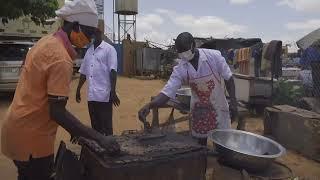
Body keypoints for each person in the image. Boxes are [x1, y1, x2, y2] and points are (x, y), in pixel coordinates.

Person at [1, 1, 119, 180]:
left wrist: (75, 130)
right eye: (87, 33)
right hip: (33, 138)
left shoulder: (45, 42)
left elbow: (46, 99)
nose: (88, 39)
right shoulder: (61, 59)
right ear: (75, 25)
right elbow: (57, 112)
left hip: (16, 128)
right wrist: (100, 138)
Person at [138, 32, 238, 146]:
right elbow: (167, 92)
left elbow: (229, 78)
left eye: (185, 50)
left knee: (222, 143)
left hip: (218, 108)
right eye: (180, 52)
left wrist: (234, 102)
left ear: (193, 45)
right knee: (200, 145)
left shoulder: (214, 57)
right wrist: (150, 105)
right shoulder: (181, 68)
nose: (184, 55)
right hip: (199, 111)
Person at [76, 25, 120, 136]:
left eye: (95, 33)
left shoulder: (109, 50)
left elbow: (113, 71)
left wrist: (113, 92)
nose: (93, 36)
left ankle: (110, 150)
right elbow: (84, 72)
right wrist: (78, 89)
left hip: (104, 96)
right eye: (92, 33)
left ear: (100, 33)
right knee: (95, 127)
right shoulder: (89, 51)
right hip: (92, 96)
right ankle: (99, 150)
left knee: (107, 127)